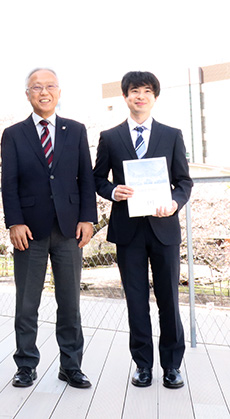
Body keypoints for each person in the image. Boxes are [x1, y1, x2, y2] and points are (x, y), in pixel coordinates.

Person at [93, 71, 192, 389]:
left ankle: (172, 366)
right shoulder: (110, 137)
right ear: (125, 97)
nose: (140, 96)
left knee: (169, 300)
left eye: (147, 91)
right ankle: (143, 365)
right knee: (136, 301)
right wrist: (112, 191)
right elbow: (97, 178)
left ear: (155, 97)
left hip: (164, 228)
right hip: (128, 231)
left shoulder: (172, 134)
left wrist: (175, 203)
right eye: (134, 91)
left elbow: (184, 182)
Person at [1, 68, 97, 389]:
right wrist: (14, 221)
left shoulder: (76, 130)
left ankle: (71, 365)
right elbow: (9, 183)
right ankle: (26, 365)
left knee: (69, 301)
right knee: (27, 303)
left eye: (49, 86)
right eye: (36, 87)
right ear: (27, 94)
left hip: (70, 228)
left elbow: (86, 178)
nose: (44, 92)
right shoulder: (14, 134)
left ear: (59, 91)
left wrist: (88, 219)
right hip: (29, 229)